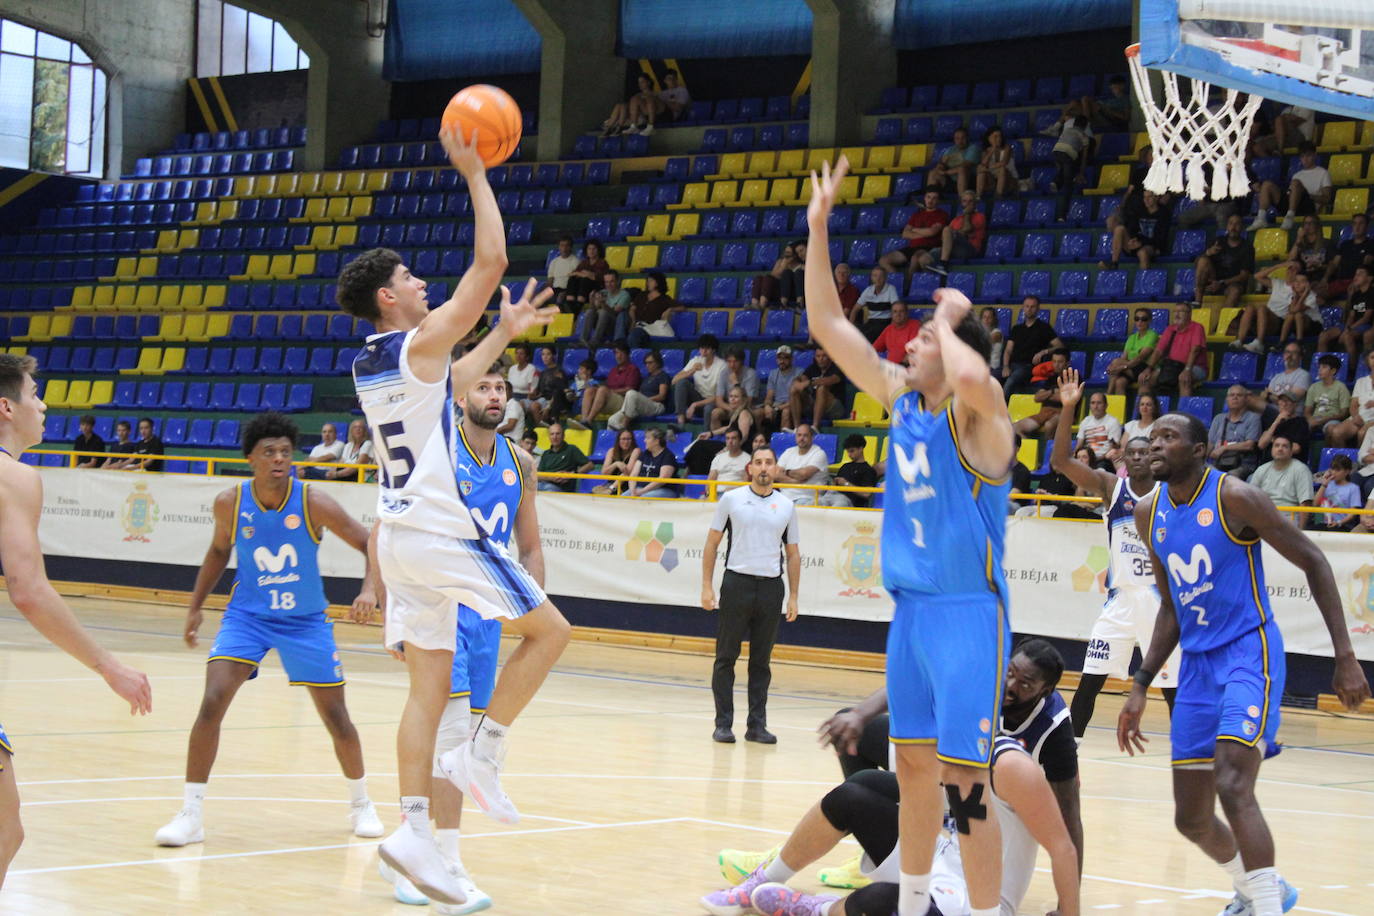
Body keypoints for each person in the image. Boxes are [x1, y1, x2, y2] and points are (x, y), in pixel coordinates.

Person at [334, 125, 570, 907]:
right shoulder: (411, 343)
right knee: (551, 632)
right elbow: (491, 263)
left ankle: (412, 829)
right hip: (437, 533)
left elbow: (456, 373)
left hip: (396, 538)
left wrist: (502, 331)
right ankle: (483, 754)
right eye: (409, 277)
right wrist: (474, 172)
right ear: (387, 298)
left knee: (425, 693)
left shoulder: (376, 361)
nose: (422, 283)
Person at [805, 156, 1015, 916]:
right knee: (916, 771)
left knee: (968, 782)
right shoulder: (903, 402)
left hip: (967, 617)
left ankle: (987, 913)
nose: (908, 344)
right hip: (913, 615)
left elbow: (972, 381)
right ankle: (920, 898)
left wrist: (953, 321)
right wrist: (818, 227)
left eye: (921, 338)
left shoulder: (983, 423)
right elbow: (829, 326)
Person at [1119, 412, 1370, 916]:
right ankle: (1257, 887)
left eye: (1169, 437)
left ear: (1198, 450)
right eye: (1154, 437)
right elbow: (1171, 605)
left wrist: (1345, 655)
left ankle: (1267, 907)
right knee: (1190, 819)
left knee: (1234, 784)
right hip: (1195, 665)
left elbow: (1315, 561)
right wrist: (1142, 681)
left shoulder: (1234, 496)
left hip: (1247, 654)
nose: (1156, 445)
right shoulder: (1148, 514)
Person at [711, 641, 1082, 916]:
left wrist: (1069, 912)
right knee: (855, 794)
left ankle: (817, 909)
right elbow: (910, 690)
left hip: (977, 897)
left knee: (882, 901)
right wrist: (858, 714)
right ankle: (765, 879)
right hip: (941, 853)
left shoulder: (1016, 768)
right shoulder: (958, 739)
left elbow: (1063, 844)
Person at [155, 412, 383, 848]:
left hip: (305, 622)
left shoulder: (314, 501)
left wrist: (369, 589)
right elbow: (218, 551)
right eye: (269, 453)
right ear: (250, 459)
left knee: (337, 717)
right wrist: (195, 607)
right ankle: (191, 814)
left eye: (285, 452)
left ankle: (361, 802)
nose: (279, 459)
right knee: (212, 700)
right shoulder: (230, 502)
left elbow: (370, 542)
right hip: (248, 618)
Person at [380, 363, 546, 910]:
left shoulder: (520, 462)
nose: (495, 395)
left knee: (462, 743)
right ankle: (437, 859)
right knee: (450, 736)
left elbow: (531, 546)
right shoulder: (439, 454)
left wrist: (530, 603)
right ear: (461, 396)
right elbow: (393, 521)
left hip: (487, 614)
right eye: (484, 386)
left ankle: (430, 856)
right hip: (440, 601)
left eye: (501, 388)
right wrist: (389, 603)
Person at [0, 353, 152, 888]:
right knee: (4, 832)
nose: (42, 404)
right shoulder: (13, 476)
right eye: (34, 392)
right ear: (6, 407)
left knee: (7, 829)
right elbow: (30, 592)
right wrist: (109, 666)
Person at [1050, 371, 1179, 738]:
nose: (1138, 458)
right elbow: (1060, 461)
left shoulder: (1171, 494)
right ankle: (1068, 750)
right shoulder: (1112, 486)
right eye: (1132, 453)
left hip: (1161, 604)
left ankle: (1191, 755)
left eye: (1146, 452)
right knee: (1090, 681)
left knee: (1172, 689)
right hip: (1120, 602)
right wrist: (1068, 408)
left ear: (1155, 457)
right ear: (1124, 458)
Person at [700, 445, 799, 745]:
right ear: (750, 469)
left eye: (769, 462)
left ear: (777, 468)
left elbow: (793, 554)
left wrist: (793, 596)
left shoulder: (786, 506)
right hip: (736, 584)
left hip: (771, 587)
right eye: (759, 463)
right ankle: (723, 724)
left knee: (761, 661)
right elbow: (711, 543)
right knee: (726, 656)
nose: (764, 467)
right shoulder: (731, 499)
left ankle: (757, 725)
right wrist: (707, 586)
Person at [878, 190, 949, 284]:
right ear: (924, 198)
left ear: (938, 201)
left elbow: (932, 232)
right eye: (928, 197)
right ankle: (898, 282)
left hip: (928, 247)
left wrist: (914, 230)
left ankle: (908, 287)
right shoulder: (916, 215)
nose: (930, 200)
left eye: (934, 198)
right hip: (912, 247)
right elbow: (905, 234)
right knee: (884, 260)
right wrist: (924, 232)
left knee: (915, 259)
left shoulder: (942, 214)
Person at [1197, 215, 1256, 326]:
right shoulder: (1218, 241)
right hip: (1212, 281)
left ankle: (1221, 325)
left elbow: (1244, 275)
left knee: (1235, 291)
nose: (1233, 227)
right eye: (1231, 223)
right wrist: (1208, 253)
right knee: (1203, 260)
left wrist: (1221, 283)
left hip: (1231, 284)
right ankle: (1197, 303)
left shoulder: (1247, 247)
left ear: (1242, 227)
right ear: (1227, 226)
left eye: (1237, 224)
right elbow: (1198, 263)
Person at [1138, 302, 1206, 397]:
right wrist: (1149, 368)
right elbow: (1158, 351)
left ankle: (1183, 411)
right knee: (1145, 379)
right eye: (1175, 311)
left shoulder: (1197, 327)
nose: (1177, 314)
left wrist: (1187, 370)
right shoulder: (1170, 329)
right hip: (1172, 367)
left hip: (1194, 366)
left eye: (1181, 311)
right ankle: (1144, 409)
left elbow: (1195, 350)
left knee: (1184, 379)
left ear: (1189, 314)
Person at [1000, 296, 1062, 393]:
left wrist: (1043, 352)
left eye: (1032, 307)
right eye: (1027, 306)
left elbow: (1059, 346)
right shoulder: (1016, 328)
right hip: (1012, 364)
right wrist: (1005, 366)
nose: (1029, 309)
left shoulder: (1044, 327)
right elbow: (1008, 350)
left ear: (1038, 309)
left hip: (1029, 366)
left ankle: (1000, 406)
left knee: (1012, 380)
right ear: (1023, 308)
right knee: (990, 376)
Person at [1249, 435, 1315, 523]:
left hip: (1289, 518)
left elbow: (1305, 504)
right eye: (1276, 445)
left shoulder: (1301, 470)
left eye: (1285, 446)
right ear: (1272, 449)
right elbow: (1250, 498)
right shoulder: (1262, 469)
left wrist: (1300, 532)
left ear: (1291, 452)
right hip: (1264, 516)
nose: (1280, 449)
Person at [1103, 189, 1171, 270]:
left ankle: (1144, 279)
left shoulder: (1163, 213)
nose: (1146, 200)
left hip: (1153, 246)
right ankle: (1114, 263)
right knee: (1119, 229)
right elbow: (1132, 228)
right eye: (1144, 197)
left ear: (1156, 198)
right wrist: (1133, 240)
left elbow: (1161, 238)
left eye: (1149, 197)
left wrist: (1141, 243)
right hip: (1137, 243)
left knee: (1142, 252)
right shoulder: (1140, 210)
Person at [1317, 265, 1374, 360]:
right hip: (1351, 325)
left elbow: (1366, 318)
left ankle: (1351, 370)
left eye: (1360, 274)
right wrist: (1346, 328)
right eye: (1355, 274)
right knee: (1323, 336)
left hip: (1365, 325)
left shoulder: (1372, 294)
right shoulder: (1356, 294)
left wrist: (1348, 330)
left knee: (1348, 336)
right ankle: (1323, 365)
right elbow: (1351, 316)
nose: (1356, 277)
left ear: (1369, 278)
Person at [1011, 348, 1069, 438]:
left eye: (1060, 362)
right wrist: (1052, 391)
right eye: (1054, 361)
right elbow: (1037, 398)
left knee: (1049, 425)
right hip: (1045, 411)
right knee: (1015, 428)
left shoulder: (1073, 377)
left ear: (1067, 363)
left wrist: (1047, 395)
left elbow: (1064, 399)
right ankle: (1026, 450)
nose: (1056, 365)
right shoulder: (1050, 379)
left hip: (1064, 414)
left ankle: (1048, 452)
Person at [608, 349, 671, 430]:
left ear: (658, 363)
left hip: (657, 406)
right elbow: (640, 394)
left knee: (631, 393)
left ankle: (624, 425)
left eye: (650, 363)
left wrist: (644, 400)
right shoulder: (647, 378)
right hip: (643, 405)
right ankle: (614, 442)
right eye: (646, 363)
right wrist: (640, 400)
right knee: (612, 420)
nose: (647, 365)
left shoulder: (663, 376)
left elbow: (662, 396)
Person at [1208, 386, 1262, 477]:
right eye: (1232, 395)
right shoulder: (1219, 418)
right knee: (1202, 473)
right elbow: (1210, 444)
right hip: (1219, 462)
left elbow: (1249, 445)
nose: (1235, 397)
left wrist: (1224, 448)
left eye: (1239, 395)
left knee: (1229, 477)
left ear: (1245, 399)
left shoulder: (1253, 418)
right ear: (1227, 399)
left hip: (1242, 465)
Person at [673, 334, 726, 427]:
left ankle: (706, 435)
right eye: (701, 348)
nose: (704, 352)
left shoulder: (722, 365)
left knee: (709, 408)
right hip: (697, 398)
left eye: (707, 349)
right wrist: (691, 371)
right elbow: (674, 381)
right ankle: (680, 421)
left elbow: (719, 396)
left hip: (713, 402)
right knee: (682, 383)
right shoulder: (695, 361)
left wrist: (695, 404)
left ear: (713, 350)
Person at [1047, 115, 1093, 221]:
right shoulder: (1084, 136)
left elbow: (1060, 149)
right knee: (1068, 186)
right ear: (1085, 126)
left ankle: (1056, 181)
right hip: (1069, 155)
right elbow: (1084, 158)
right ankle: (1062, 216)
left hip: (1056, 151)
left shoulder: (1066, 130)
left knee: (1064, 170)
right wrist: (1081, 172)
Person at [582, 342, 641, 424]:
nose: (618, 356)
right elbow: (608, 386)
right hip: (610, 399)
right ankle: (584, 420)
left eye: (622, 353)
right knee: (589, 390)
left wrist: (611, 391)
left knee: (602, 390)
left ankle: (589, 421)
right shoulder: (613, 370)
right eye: (617, 353)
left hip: (625, 402)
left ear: (627, 354)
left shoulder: (633, 369)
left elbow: (630, 389)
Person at [931, 189, 987, 274]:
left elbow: (967, 229)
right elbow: (945, 238)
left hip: (970, 249)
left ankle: (943, 264)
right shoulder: (956, 220)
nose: (967, 204)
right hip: (955, 249)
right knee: (931, 253)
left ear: (975, 203)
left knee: (947, 230)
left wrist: (967, 214)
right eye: (964, 201)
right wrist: (955, 234)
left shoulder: (980, 217)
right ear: (961, 203)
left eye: (970, 201)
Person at [790, 347, 847, 429]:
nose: (821, 359)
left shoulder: (837, 367)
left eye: (824, 356)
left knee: (822, 388)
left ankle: (815, 427)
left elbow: (831, 380)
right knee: (794, 389)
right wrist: (796, 382)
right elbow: (801, 378)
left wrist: (808, 383)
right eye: (818, 356)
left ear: (830, 357)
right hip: (815, 406)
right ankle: (797, 428)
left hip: (835, 408)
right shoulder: (813, 367)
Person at [1328, 346, 1374, 448]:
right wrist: (1355, 416)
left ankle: (1361, 462)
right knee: (1337, 432)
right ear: (1368, 361)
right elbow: (1353, 405)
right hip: (1360, 416)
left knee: (1362, 434)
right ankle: (1344, 462)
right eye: (1372, 357)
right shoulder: (1361, 381)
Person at [1106, 309, 1160, 395]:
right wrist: (1115, 367)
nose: (1140, 321)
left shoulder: (1152, 335)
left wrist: (1121, 367)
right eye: (1137, 318)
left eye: (1144, 319)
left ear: (1149, 320)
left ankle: (1108, 395)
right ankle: (1119, 407)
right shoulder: (1132, 338)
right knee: (1119, 382)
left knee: (1116, 362)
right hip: (1131, 368)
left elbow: (1140, 358)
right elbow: (1124, 357)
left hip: (1145, 367)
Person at [777, 423, 831, 506]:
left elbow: (804, 474)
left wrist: (787, 472)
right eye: (799, 435)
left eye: (805, 435)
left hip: (808, 499)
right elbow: (775, 474)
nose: (801, 438)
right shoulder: (788, 452)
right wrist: (795, 481)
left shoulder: (819, 453)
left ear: (812, 437)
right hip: (784, 497)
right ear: (795, 437)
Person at [709, 347, 760, 433]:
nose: (732, 365)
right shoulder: (724, 373)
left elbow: (748, 401)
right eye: (729, 361)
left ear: (741, 361)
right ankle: (717, 439)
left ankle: (757, 438)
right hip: (730, 407)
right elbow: (719, 400)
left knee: (758, 413)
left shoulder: (751, 374)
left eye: (735, 361)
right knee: (715, 413)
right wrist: (731, 409)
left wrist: (736, 383)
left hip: (747, 408)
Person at [1304, 353, 1351, 440]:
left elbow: (1344, 413)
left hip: (1332, 419)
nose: (1320, 370)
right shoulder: (1313, 387)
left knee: (1331, 429)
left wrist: (1326, 419)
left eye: (1324, 367)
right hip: (1316, 418)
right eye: (1319, 367)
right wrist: (1310, 419)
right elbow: (1307, 411)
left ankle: (1325, 452)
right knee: (1301, 427)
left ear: (1333, 371)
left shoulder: (1341, 387)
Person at [825, 434, 878, 508]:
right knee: (816, 501)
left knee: (839, 503)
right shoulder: (845, 466)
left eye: (852, 451)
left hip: (851, 503)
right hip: (833, 497)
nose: (849, 454)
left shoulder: (868, 470)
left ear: (861, 449)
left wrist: (846, 484)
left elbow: (867, 493)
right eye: (848, 452)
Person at [536, 422, 591, 493]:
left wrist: (572, 474)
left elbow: (590, 465)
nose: (555, 437)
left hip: (561, 488)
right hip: (542, 485)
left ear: (563, 435)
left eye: (558, 434)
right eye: (552, 434)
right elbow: (538, 475)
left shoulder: (571, 449)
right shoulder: (546, 453)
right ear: (549, 437)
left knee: (547, 489)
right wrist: (551, 477)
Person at [926, 127, 982, 196]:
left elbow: (965, 165)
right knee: (933, 173)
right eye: (957, 138)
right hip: (951, 179)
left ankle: (962, 200)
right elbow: (941, 163)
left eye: (963, 138)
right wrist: (940, 167)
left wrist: (946, 172)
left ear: (967, 138)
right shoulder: (950, 150)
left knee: (962, 170)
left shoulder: (973, 148)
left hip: (969, 180)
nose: (960, 141)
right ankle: (931, 199)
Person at [1313, 454, 1361, 531]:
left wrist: (1339, 523)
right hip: (1323, 524)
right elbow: (1315, 504)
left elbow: (1353, 513)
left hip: (1343, 526)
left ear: (1347, 471)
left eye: (1338, 470)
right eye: (1332, 469)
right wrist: (1324, 484)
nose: (1333, 472)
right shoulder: (1326, 485)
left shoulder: (1353, 488)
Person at [628, 427, 679, 497]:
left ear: (657, 441)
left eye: (648, 438)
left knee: (643, 498)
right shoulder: (644, 454)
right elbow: (633, 475)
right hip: (640, 488)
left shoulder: (668, 456)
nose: (644, 440)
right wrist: (632, 491)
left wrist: (642, 492)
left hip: (663, 489)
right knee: (622, 497)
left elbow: (663, 478)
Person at [586, 269, 633, 345]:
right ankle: (584, 340)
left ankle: (595, 341)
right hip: (601, 324)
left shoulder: (624, 295)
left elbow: (615, 313)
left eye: (612, 281)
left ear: (617, 281)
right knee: (589, 312)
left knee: (603, 312)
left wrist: (603, 304)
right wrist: (591, 300)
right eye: (606, 282)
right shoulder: (603, 292)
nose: (609, 284)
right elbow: (593, 310)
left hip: (615, 326)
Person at [761, 345, 802, 432]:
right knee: (761, 413)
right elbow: (769, 396)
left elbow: (798, 398)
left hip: (793, 405)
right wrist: (768, 406)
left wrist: (779, 408)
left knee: (786, 412)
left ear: (791, 359)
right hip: (777, 405)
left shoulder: (799, 372)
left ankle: (782, 441)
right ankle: (763, 439)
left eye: (786, 358)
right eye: (780, 358)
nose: (782, 361)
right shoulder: (773, 373)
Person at [854, 267, 901, 342]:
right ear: (871, 278)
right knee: (856, 334)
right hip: (871, 322)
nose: (878, 278)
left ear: (885, 278)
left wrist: (892, 328)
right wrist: (849, 327)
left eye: (881, 276)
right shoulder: (868, 290)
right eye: (875, 276)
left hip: (886, 322)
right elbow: (855, 310)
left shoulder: (891, 289)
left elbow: (896, 309)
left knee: (869, 336)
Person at [562, 239, 608, 314]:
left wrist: (585, 274)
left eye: (594, 249)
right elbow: (572, 274)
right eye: (589, 249)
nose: (591, 251)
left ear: (598, 250)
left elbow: (597, 278)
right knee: (573, 279)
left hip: (596, 289)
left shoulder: (602, 263)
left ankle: (578, 305)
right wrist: (586, 274)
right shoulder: (584, 262)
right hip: (581, 289)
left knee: (585, 280)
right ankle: (570, 302)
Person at [526, 345, 568, 427]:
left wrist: (549, 406)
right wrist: (533, 395)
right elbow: (541, 392)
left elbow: (559, 392)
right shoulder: (543, 372)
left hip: (554, 401)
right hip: (543, 399)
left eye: (548, 354)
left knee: (534, 406)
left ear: (554, 356)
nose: (545, 357)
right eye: (543, 354)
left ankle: (543, 428)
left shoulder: (559, 372)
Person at [1076, 391, 1122, 461]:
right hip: (1086, 459)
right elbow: (1079, 445)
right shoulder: (1085, 421)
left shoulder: (1113, 422)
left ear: (1106, 405)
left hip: (1104, 459)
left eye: (1099, 403)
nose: (1095, 406)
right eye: (1093, 403)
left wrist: (1096, 460)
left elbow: (1112, 448)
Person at [326, 418, 375, 482]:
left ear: (365, 431)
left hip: (359, 476)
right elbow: (340, 463)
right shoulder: (348, 445)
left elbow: (356, 467)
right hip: (345, 474)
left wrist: (336, 474)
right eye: (355, 427)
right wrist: (331, 472)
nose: (358, 429)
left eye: (360, 427)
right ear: (351, 431)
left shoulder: (368, 444)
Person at [594, 428, 640, 495]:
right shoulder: (612, 451)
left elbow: (627, 473)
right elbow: (604, 473)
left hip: (627, 486)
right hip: (610, 485)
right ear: (618, 440)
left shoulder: (636, 451)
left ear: (632, 440)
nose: (626, 442)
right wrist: (616, 464)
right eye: (623, 439)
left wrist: (611, 489)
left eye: (629, 439)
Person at [975, 126, 1016, 199]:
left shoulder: (1007, 148)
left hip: (1009, 179)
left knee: (1002, 169)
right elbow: (983, 164)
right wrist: (992, 149)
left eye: (1000, 136)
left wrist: (987, 168)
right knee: (980, 170)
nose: (999, 139)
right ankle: (978, 197)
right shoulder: (987, 150)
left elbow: (1003, 163)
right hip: (992, 180)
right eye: (995, 137)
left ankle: (998, 197)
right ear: (989, 138)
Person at [545, 236, 579, 309]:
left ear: (571, 247)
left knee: (561, 297)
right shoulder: (554, 262)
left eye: (567, 246)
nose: (564, 248)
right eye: (562, 245)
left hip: (567, 290)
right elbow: (550, 280)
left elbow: (575, 280)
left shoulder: (575, 261)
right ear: (559, 247)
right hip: (555, 289)